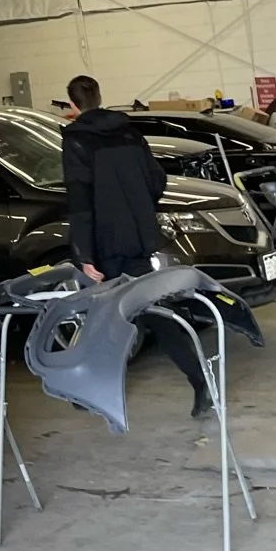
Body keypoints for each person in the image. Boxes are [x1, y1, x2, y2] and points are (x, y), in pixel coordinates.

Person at [61, 73, 211, 415]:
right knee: (155, 311)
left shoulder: (77, 139)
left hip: (104, 242)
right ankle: (200, 379)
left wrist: (84, 255)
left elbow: (80, 200)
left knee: (103, 314)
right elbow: (156, 179)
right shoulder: (129, 131)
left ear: (72, 105)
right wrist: (138, 209)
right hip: (139, 237)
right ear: (100, 96)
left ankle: (87, 392)